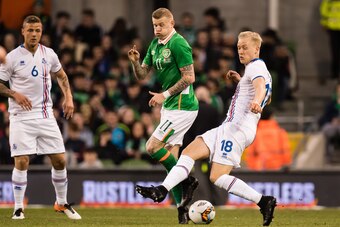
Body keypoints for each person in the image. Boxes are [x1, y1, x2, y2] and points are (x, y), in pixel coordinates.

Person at [136, 31, 277, 226]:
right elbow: (266, 93)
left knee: (217, 176)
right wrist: (240, 82)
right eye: (238, 47)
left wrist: (256, 100)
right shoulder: (257, 70)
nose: (240, 51)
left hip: (237, 130)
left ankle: (264, 201)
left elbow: (261, 89)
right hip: (228, 127)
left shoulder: (256, 67)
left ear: (257, 48)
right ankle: (162, 190)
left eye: (245, 47)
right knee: (189, 151)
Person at [0, 15, 81, 220]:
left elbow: (62, 76)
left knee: (60, 159)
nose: (34, 34)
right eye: (30, 30)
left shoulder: (50, 54)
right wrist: (14, 94)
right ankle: (18, 207)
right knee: (22, 161)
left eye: (37, 30)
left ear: (42, 32)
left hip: (45, 115)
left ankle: (61, 203)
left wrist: (69, 97)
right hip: (20, 117)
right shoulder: (11, 57)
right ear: (23, 31)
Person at [127, 8, 199, 224]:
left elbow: (190, 76)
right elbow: (142, 75)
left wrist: (163, 94)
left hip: (183, 106)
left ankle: (186, 181)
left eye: (161, 25)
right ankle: (182, 210)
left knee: (151, 147)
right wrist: (135, 62)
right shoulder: (154, 44)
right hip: (170, 105)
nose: (157, 29)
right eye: (155, 25)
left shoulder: (178, 43)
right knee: (171, 157)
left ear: (172, 23)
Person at [320, 0, 340, 82]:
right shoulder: (328, 1)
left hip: (332, 28)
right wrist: (324, 24)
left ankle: (335, 74)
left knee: (335, 52)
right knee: (335, 52)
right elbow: (324, 13)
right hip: (333, 29)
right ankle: (335, 73)